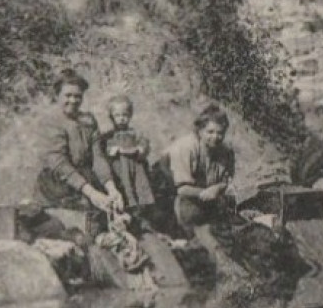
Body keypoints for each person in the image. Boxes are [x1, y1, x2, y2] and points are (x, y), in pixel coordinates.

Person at [161, 105, 247, 282]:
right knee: (199, 226)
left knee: (229, 223)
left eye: (220, 133)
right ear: (199, 131)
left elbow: (225, 181)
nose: (215, 137)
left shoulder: (225, 151)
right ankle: (222, 267)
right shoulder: (185, 148)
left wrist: (217, 188)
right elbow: (182, 188)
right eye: (210, 132)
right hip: (169, 193)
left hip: (205, 194)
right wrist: (207, 192)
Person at [35, 70, 123, 224]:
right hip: (57, 186)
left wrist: (111, 188)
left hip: (83, 182)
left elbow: (98, 158)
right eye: (67, 95)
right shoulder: (51, 122)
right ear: (57, 96)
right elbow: (59, 165)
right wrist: (92, 193)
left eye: (78, 96)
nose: (73, 100)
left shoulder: (88, 121)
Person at [98, 96, 156, 231]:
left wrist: (138, 149)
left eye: (125, 115)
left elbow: (144, 147)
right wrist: (110, 151)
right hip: (120, 171)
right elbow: (104, 152)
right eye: (117, 115)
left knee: (139, 192)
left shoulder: (135, 133)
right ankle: (123, 219)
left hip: (136, 170)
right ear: (111, 117)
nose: (121, 118)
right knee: (124, 191)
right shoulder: (108, 136)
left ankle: (140, 219)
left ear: (130, 115)